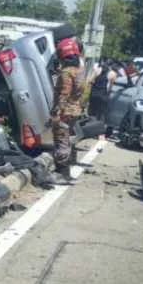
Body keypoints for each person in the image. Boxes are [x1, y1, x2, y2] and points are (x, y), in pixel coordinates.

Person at [51, 37, 86, 183]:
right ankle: (66, 172)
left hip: (65, 111)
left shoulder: (66, 72)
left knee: (61, 141)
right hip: (75, 110)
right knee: (66, 140)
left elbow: (64, 94)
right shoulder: (79, 71)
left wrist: (56, 112)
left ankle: (62, 173)